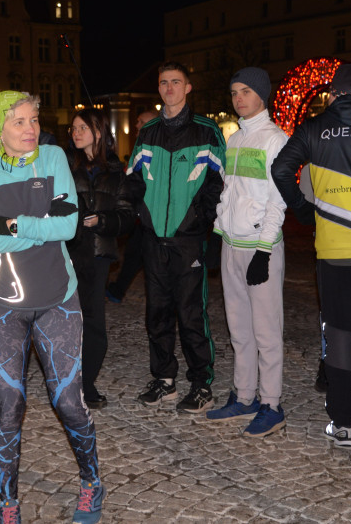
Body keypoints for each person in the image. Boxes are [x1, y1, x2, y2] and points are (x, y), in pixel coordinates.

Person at [0, 90, 104, 524]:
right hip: (0, 303)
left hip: (56, 298)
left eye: (34, 119)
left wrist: (8, 223)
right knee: (8, 406)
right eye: (20, 122)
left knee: (67, 402)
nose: (32, 129)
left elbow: (66, 226)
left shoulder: (53, 159)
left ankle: (91, 482)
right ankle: (8, 504)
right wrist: (35, 226)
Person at [272, 63, 351, 447]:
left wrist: (305, 210)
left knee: (340, 334)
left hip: (334, 247)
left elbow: (281, 169)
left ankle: (344, 423)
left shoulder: (312, 128)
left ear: (333, 95)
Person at [127, 61, 226, 413]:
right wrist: (141, 214)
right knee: (157, 312)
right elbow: (134, 181)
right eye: (163, 82)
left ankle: (202, 384)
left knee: (190, 314)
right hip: (154, 239)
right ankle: (164, 379)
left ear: (188, 88)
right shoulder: (147, 132)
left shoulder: (207, 130)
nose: (169, 88)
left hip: (188, 242)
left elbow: (218, 184)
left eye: (176, 82)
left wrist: (198, 221)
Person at [206, 67, 289, 437]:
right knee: (238, 328)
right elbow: (230, 193)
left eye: (246, 91)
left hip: (260, 247)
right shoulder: (235, 140)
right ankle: (245, 396)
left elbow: (278, 200)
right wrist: (219, 232)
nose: (239, 98)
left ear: (262, 95)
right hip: (231, 245)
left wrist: (264, 249)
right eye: (234, 92)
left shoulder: (276, 140)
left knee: (267, 330)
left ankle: (272, 403)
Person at [66, 107, 135, 409]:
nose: (76, 132)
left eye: (82, 127)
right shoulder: (67, 167)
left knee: (93, 320)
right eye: (73, 128)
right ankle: (65, 378)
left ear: (98, 132)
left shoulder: (117, 173)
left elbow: (127, 217)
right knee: (66, 320)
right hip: (66, 253)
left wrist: (102, 222)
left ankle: (87, 383)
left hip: (97, 255)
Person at [106, 109, 153, 304]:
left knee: (144, 257)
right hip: (139, 214)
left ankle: (119, 290)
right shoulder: (140, 148)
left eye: (141, 121)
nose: (136, 125)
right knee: (134, 254)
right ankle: (117, 290)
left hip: (150, 214)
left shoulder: (155, 149)